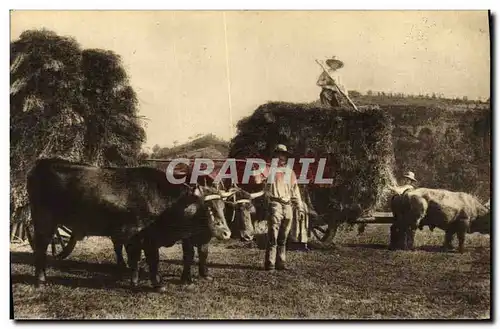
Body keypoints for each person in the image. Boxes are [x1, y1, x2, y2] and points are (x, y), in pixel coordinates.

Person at [264, 144, 304, 271]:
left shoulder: (290, 173)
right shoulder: (269, 170)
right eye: (278, 154)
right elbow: (260, 181)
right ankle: (270, 263)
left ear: (286, 157)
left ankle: (281, 263)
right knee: (273, 236)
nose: (281, 157)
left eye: (283, 155)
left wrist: (300, 207)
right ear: (275, 156)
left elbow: (295, 191)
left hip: (287, 206)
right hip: (275, 204)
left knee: (284, 236)